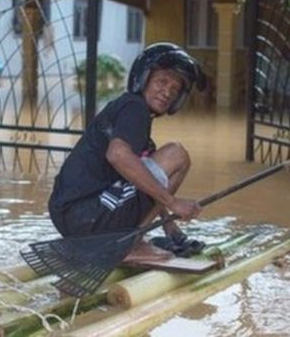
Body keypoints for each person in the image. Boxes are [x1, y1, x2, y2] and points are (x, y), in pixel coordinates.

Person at [48, 42, 207, 262]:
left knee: (150, 165)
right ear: (144, 78)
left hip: (73, 218)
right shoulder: (135, 108)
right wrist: (172, 202)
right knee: (177, 155)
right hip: (88, 216)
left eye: (175, 89)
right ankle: (129, 244)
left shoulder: (128, 112)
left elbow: (145, 179)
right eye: (162, 81)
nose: (167, 92)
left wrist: (172, 232)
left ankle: (130, 240)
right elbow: (118, 155)